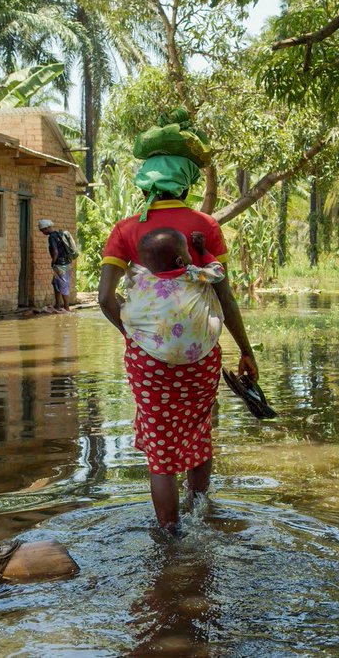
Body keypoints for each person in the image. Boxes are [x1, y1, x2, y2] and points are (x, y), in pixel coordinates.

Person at [97, 109, 257, 532]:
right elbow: (224, 296)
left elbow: (105, 299)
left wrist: (137, 336)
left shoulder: (126, 230)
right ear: (186, 182)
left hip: (148, 360)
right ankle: (201, 511)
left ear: (145, 183)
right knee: (198, 431)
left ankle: (168, 536)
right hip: (200, 356)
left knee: (161, 450)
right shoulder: (205, 226)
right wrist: (246, 350)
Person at [121, 229, 225, 366]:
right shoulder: (191, 274)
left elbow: (130, 312)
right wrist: (203, 251)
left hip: (157, 355)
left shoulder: (144, 283)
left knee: (125, 309)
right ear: (180, 261)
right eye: (188, 251)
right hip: (201, 351)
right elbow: (218, 272)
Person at [37, 219, 72, 312]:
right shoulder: (58, 234)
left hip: (60, 265)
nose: (43, 232)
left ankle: (67, 308)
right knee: (56, 283)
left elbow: (55, 252)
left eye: (42, 230)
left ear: (46, 228)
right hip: (66, 263)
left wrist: (53, 262)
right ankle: (57, 305)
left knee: (63, 285)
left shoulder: (52, 237)